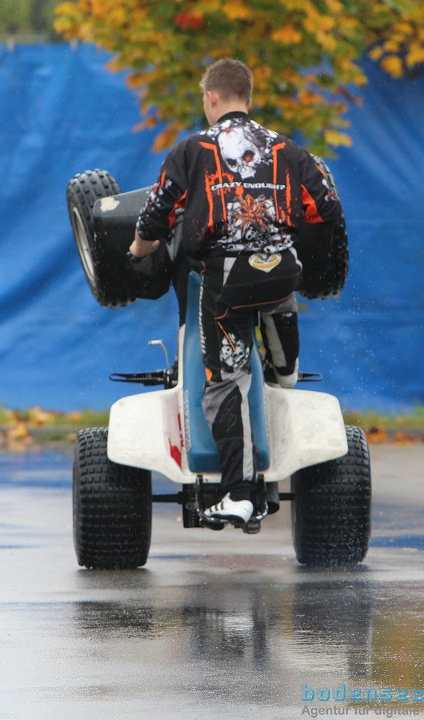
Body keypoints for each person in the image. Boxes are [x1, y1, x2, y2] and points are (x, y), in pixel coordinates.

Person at [130, 58, 342, 525]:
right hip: (281, 271)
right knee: (275, 296)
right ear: (249, 97)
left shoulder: (194, 149)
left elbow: (156, 212)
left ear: (211, 98)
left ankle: (240, 494)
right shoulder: (288, 149)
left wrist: (139, 248)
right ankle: (286, 371)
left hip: (227, 281)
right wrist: (301, 252)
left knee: (225, 381)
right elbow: (326, 208)